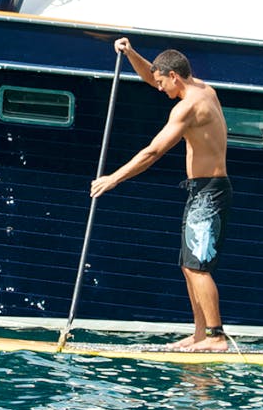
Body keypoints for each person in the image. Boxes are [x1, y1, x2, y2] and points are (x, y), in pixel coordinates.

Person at [90, 38, 234, 352]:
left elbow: (153, 152)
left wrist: (113, 179)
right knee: (188, 265)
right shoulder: (202, 88)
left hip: (209, 193)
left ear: (175, 77)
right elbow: (152, 75)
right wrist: (131, 54)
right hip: (201, 191)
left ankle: (216, 337)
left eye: (161, 83)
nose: (157, 88)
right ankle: (200, 334)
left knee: (197, 267)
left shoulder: (188, 107)